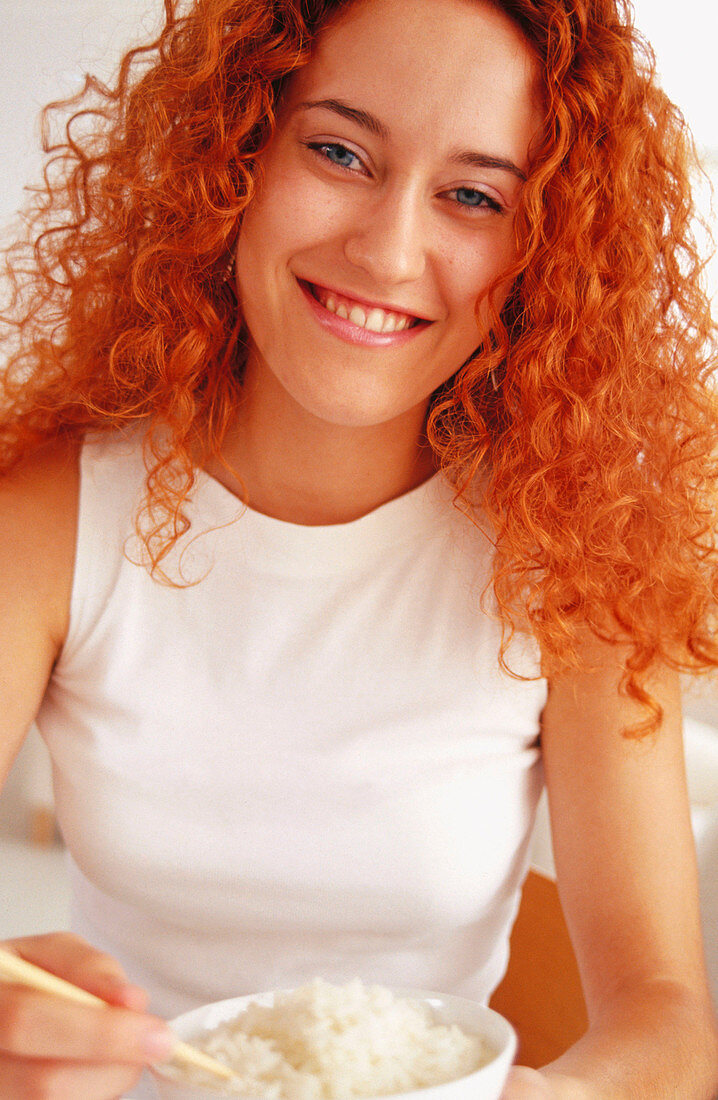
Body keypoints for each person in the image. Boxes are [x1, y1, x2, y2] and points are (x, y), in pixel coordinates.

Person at [0, 0, 716, 1096]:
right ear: (233, 153)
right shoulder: (54, 510)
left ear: (543, 248)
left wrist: (555, 1095)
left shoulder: (570, 550)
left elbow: (668, 1019)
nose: (386, 251)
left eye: (474, 197)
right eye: (338, 151)